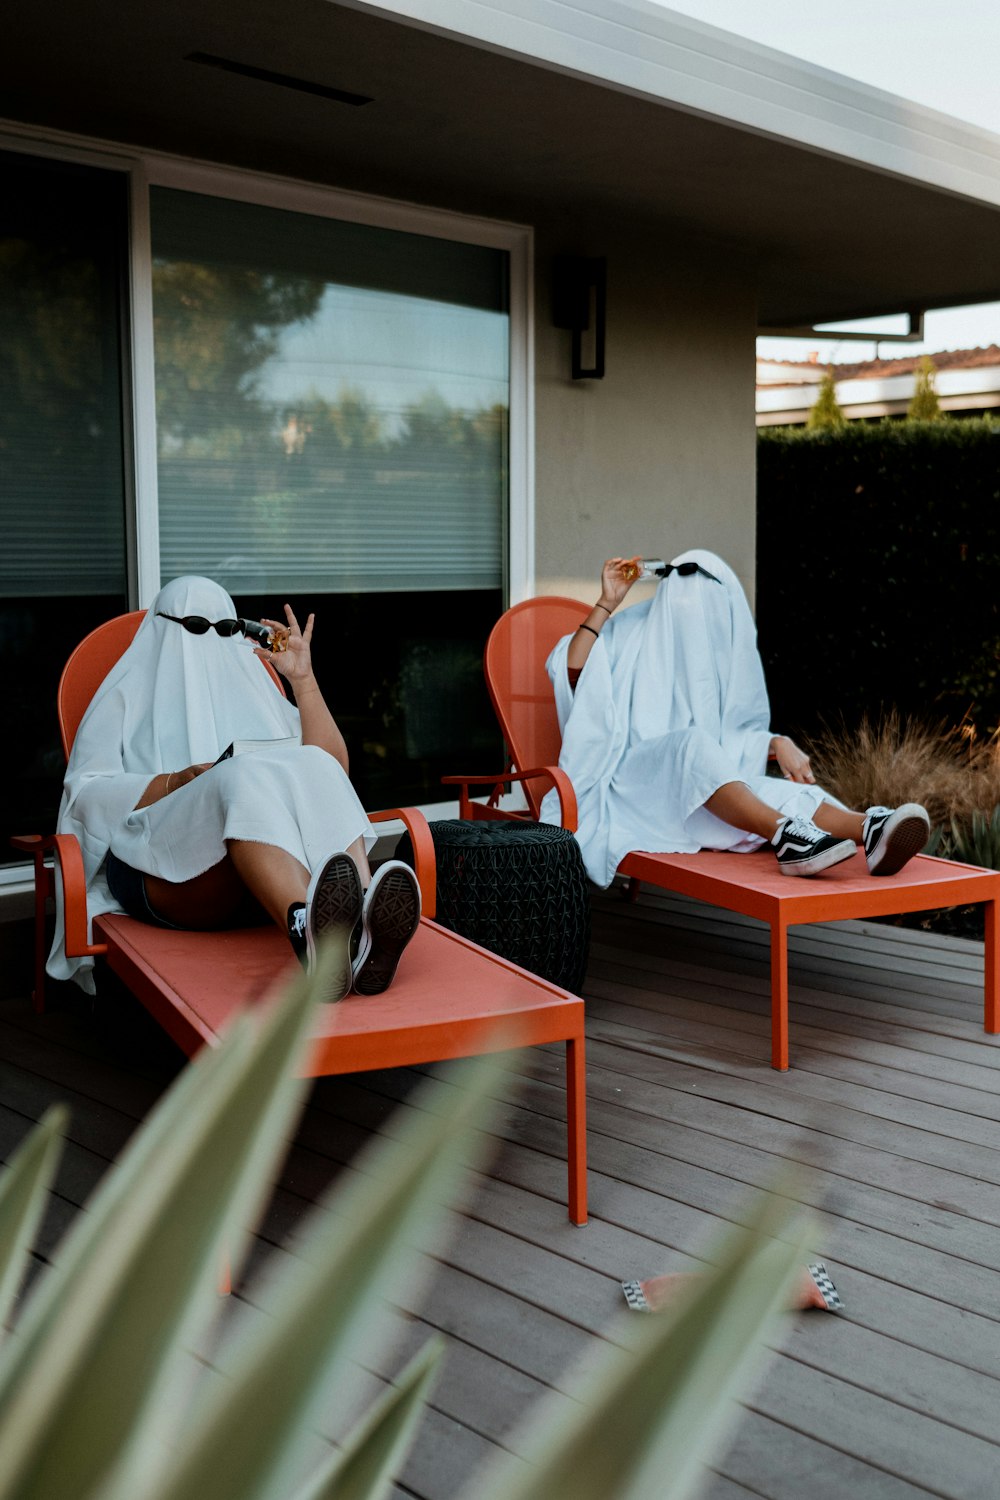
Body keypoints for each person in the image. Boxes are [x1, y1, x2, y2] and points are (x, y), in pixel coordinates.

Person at [48, 575, 421, 1002]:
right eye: (193, 626)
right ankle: (319, 926)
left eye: (224, 629)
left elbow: (332, 771)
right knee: (240, 775)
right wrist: (174, 783)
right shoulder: (124, 697)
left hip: (258, 882)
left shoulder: (257, 690)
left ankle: (350, 918)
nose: (209, 640)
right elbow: (84, 796)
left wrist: (304, 681)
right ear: (162, 624)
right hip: (155, 871)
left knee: (305, 762)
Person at [539, 550, 930, 885]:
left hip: (702, 791)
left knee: (775, 792)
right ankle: (784, 834)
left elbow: (736, 731)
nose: (695, 617)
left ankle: (871, 829)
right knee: (691, 744)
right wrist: (606, 603)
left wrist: (776, 741)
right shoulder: (632, 630)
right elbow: (572, 672)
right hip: (631, 786)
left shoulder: (720, 655)